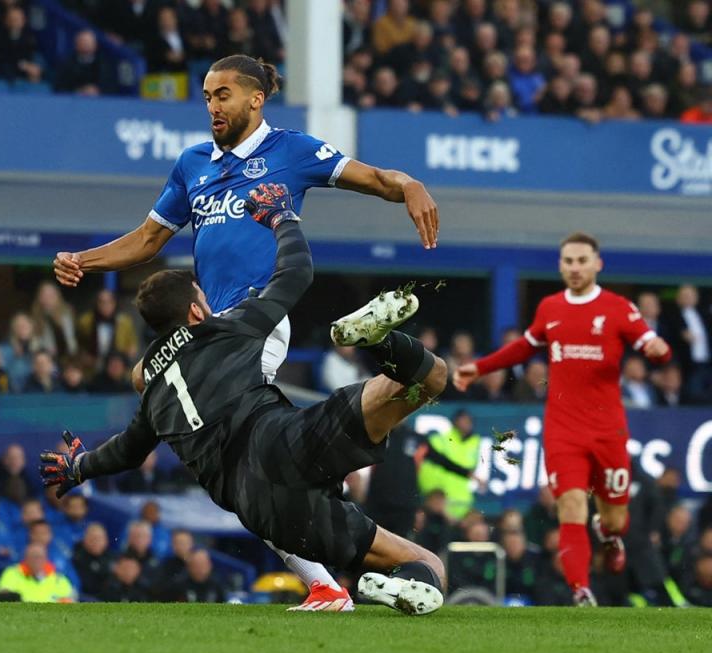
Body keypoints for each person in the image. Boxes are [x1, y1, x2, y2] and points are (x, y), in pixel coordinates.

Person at [52, 54, 439, 612]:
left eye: (223, 95)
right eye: (207, 95)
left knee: (235, 454)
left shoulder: (292, 151)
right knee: (151, 383)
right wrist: (83, 260)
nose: (212, 105)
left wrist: (410, 185)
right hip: (208, 329)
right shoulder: (192, 165)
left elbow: (376, 178)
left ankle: (326, 572)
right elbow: (147, 239)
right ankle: (326, 538)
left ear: (255, 99)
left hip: (255, 320)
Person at [453, 232, 672, 606]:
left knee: (616, 519)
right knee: (570, 506)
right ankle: (580, 589)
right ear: (560, 265)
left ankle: (609, 535)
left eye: (581, 260)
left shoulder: (619, 308)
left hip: (608, 430)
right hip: (563, 429)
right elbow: (525, 346)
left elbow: (652, 347)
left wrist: (659, 350)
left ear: (597, 264)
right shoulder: (550, 308)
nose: (574, 267)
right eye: (568, 261)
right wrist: (480, 367)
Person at [417, 409, 480, 520]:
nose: (467, 423)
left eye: (469, 420)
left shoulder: (475, 443)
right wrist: (433, 495)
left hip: (463, 506)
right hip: (438, 503)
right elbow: (429, 466)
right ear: (455, 421)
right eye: (463, 420)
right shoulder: (440, 440)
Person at [0, 543, 76, 602]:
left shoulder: (59, 579)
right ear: (25, 558)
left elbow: (68, 603)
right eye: (33, 556)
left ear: (46, 559)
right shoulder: (12, 573)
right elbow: (3, 596)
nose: (37, 560)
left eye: (40, 557)